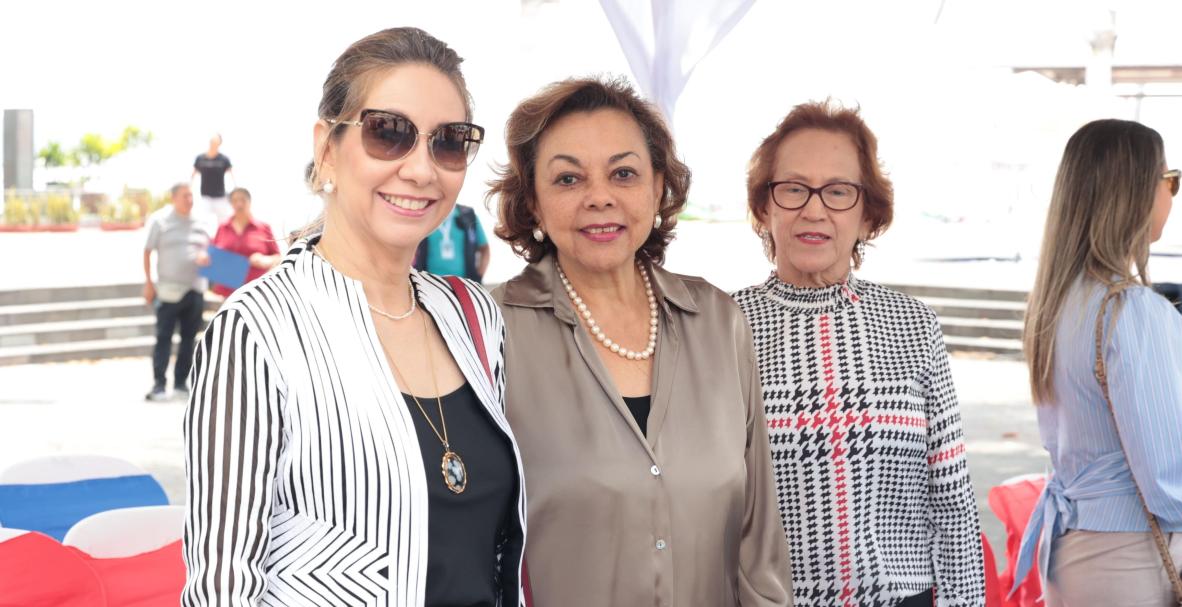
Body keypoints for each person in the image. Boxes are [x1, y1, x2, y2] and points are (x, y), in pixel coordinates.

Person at [182, 27, 528, 607]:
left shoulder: (472, 316)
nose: (421, 169)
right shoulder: (258, 331)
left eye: (448, 142)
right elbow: (222, 587)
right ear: (326, 148)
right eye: (389, 133)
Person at [489, 76, 793, 606]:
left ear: (657, 188)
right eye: (567, 179)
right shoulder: (488, 329)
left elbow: (757, 539)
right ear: (532, 201)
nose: (599, 197)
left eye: (623, 173)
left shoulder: (719, 322)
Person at [732, 100, 985, 607]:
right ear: (765, 207)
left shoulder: (914, 324)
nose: (814, 208)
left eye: (839, 191)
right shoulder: (722, 326)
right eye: (793, 188)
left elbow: (951, 497)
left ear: (868, 215)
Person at [1013, 119, 1182, 606]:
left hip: (1072, 549)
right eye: (1168, 180)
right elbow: (1167, 479)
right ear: (1134, 192)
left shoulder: (1057, 302)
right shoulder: (1132, 310)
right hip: (1131, 556)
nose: (1171, 195)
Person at [142, 183, 209, 402]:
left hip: (195, 289)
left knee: (189, 339)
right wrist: (149, 283)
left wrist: (205, 258)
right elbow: (147, 251)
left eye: (191, 196)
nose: (189, 200)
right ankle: (159, 384)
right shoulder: (160, 221)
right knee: (163, 337)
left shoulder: (201, 222)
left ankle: (181, 382)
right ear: (173, 198)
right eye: (185, 196)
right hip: (168, 290)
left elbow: (210, 250)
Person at [208, 187, 281, 297]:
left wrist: (266, 260)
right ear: (231, 204)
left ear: (249, 202)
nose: (239, 204)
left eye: (243, 200)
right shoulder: (222, 227)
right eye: (235, 201)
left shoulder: (264, 228)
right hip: (226, 293)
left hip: (256, 292)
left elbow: (278, 257)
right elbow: (213, 255)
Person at [414, 202, 491, 282]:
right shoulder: (424, 215)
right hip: (428, 283)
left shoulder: (468, 216)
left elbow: (485, 249)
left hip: (464, 284)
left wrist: (478, 277)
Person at [192, 133, 234, 224]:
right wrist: (189, 190)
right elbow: (194, 175)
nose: (213, 143)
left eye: (215, 141)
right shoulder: (200, 158)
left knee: (224, 222)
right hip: (205, 196)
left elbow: (231, 176)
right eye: (212, 141)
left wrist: (234, 191)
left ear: (219, 143)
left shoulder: (224, 159)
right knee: (203, 221)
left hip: (220, 197)